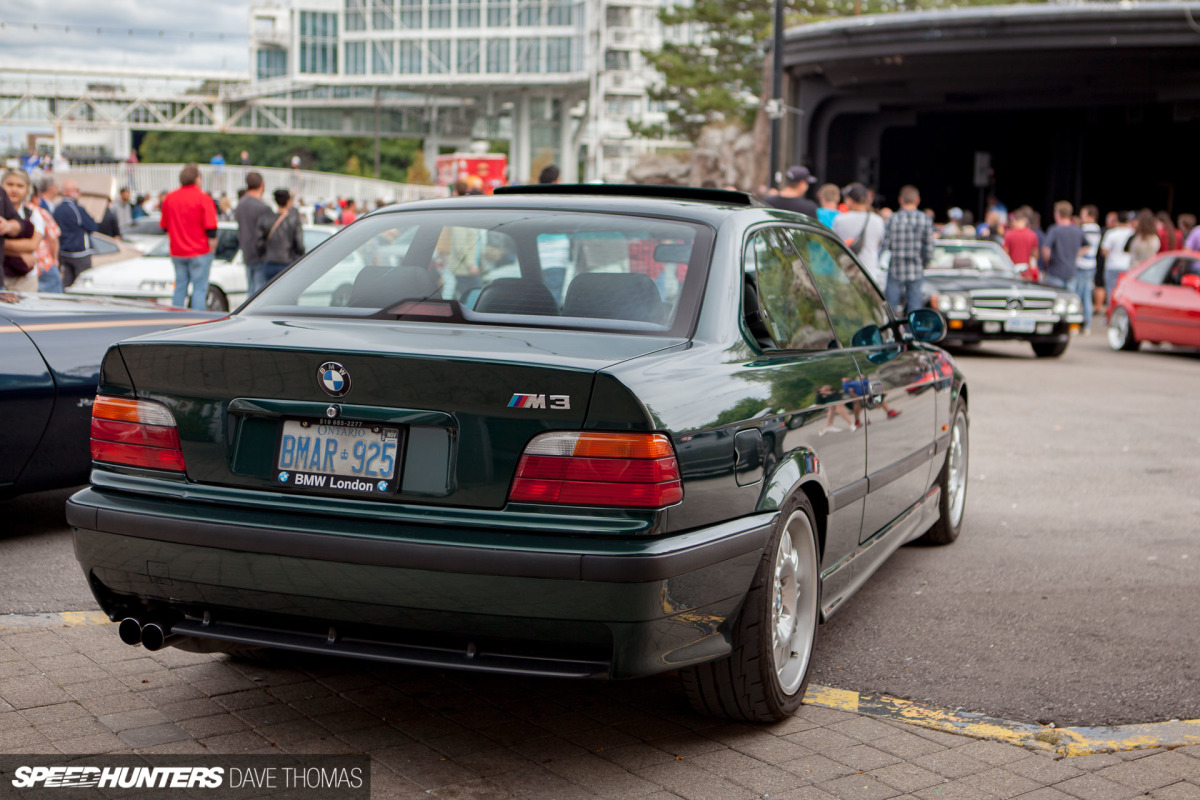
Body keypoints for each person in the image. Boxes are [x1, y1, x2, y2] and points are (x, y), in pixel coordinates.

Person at [160, 164, 218, 309]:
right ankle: (197, 322)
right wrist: (211, 251)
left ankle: (176, 320)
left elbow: (164, 227)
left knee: (180, 287)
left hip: (178, 252)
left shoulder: (170, 198)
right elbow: (211, 229)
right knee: (199, 289)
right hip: (199, 251)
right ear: (197, 179)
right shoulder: (203, 198)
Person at [880, 184, 934, 315]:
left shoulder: (894, 219)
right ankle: (911, 334)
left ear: (900, 200)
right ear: (917, 201)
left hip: (895, 268)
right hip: (915, 268)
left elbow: (885, 245)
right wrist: (924, 263)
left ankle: (891, 333)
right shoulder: (925, 219)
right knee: (914, 307)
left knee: (891, 309)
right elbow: (929, 248)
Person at [832, 182, 885, 284]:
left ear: (850, 200)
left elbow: (834, 243)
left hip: (845, 275)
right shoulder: (877, 220)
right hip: (869, 274)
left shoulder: (840, 219)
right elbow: (879, 243)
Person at [2, 169, 45, 292]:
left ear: (27, 190)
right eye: (9, 184)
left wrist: (4, 247)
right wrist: (19, 252)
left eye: (20, 186)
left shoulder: (34, 214)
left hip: (25, 279)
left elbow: (32, 245)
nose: (14, 189)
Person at [52, 179, 99, 288]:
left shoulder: (56, 209)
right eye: (77, 190)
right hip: (80, 253)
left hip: (64, 252)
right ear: (69, 192)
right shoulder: (77, 209)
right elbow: (92, 226)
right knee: (83, 285)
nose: (80, 193)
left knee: (67, 284)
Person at [255, 188, 306, 287]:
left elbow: (259, 243)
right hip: (287, 263)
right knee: (287, 294)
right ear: (288, 201)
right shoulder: (294, 220)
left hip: (269, 263)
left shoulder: (266, 219)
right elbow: (299, 245)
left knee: (268, 294)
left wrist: (264, 256)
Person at [235, 172, 274, 294]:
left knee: (251, 289)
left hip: (246, 253)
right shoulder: (262, 208)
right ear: (262, 185)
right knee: (259, 292)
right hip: (261, 254)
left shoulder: (240, 204)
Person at [1040, 201, 1086, 290]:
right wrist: (1077, 255)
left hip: (1055, 272)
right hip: (1071, 272)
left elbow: (1045, 248)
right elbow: (1087, 246)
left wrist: (1048, 261)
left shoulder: (1054, 230)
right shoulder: (1077, 230)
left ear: (1057, 214)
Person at [1074, 205, 1101, 334]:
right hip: (1091, 265)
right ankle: (1087, 325)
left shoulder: (1084, 229)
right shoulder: (1097, 229)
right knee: (1087, 296)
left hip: (1081, 265)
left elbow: (1082, 246)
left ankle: (1075, 324)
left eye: (1083, 215)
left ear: (1091, 216)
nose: (1081, 217)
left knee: (1078, 296)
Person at [1099, 212, 1136, 303]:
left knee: (1111, 291)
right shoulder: (1132, 233)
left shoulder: (1111, 233)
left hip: (1112, 265)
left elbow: (1104, 251)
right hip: (1127, 266)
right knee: (1124, 293)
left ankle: (1110, 312)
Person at [1003, 207, 1040, 281]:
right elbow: (1035, 255)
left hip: (1013, 271)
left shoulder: (1008, 234)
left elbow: (1004, 254)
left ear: (1014, 220)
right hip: (1028, 272)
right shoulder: (1032, 235)